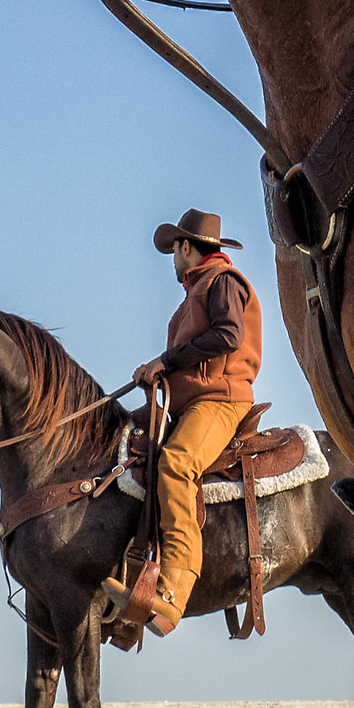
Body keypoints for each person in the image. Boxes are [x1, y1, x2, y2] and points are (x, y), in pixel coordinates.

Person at [103, 209, 262, 632]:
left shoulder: (223, 282)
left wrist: (166, 360)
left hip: (220, 400)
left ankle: (172, 592)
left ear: (186, 247)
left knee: (175, 465)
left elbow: (228, 335)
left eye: (174, 249)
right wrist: (158, 372)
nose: (173, 259)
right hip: (189, 401)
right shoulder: (196, 291)